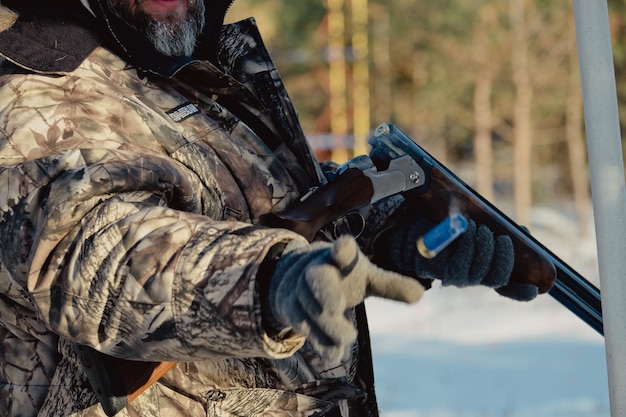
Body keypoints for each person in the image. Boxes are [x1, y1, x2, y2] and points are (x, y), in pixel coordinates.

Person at [0, 1, 544, 416]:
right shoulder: (36, 98)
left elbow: (261, 199)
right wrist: (271, 281)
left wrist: (394, 231)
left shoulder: (181, 64)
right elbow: (101, 255)